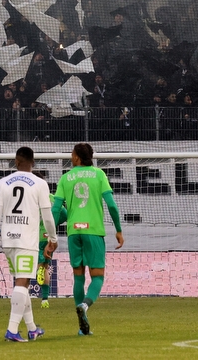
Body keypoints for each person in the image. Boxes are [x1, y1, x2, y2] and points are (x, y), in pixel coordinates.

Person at [0, 146, 58, 343]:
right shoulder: (40, 183)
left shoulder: (3, 182)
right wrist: (53, 238)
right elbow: (47, 215)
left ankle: (32, 329)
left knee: (22, 282)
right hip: (27, 240)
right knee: (23, 282)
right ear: (33, 162)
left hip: (8, 240)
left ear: (16, 162)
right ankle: (11, 330)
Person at [53, 142, 124, 336]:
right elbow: (112, 205)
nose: (70, 156)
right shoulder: (99, 175)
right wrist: (118, 229)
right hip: (93, 231)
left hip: (73, 232)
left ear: (77, 157)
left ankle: (81, 327)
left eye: (72, 154)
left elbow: (56, 209)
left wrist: (51, 234)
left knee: (78, 276)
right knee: (98, 277)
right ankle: (84, 306)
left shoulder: (65, 178)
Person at [37, 192, 68, 308]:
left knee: (34, 267)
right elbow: (65, 215)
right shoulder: (53, 198)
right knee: (45, 267)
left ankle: (37, 271)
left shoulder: (31, 195)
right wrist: (54, 222)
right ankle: (45, 300)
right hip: (49, 237)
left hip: (35, 236)